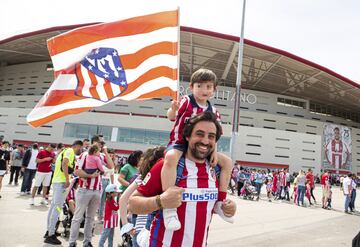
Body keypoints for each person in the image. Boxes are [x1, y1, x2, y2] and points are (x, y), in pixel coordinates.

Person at [129, 112, 236, 247]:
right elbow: (132, 204)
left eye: (211, 136)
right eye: (199, 134)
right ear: (187, 136)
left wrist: (228, 207)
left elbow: (203, 208)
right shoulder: (168, 166)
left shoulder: (215, 170)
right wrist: (160, 201)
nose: (205, 141)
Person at [161, 68, 232, 231]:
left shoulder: (214, 112)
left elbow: (216, 134)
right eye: (199, 86)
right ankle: (169, 206)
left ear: (214, 90)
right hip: (180, 143)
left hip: (202, 148)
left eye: (208, 86)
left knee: (227, 162)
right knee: (171, 158)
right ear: (191, 87)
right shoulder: (186, 101)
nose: (204, 90)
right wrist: (173, 108)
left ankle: (220, 202)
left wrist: (214, 150)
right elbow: (171, 116)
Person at [68, 135, 114, 247]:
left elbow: (111, 166)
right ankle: (72, 242)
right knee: (78, 217)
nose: (101, 144)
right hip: (84, 189)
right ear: (94, 142)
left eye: (102, 143)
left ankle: (87, 242)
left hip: (97, 190)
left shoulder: (101, 155)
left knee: (90, 218)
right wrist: (90, 175)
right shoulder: (84, 155)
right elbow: (77, 171)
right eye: (100, 142)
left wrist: (106, 152)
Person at [119, 146, 166, 247]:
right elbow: (123, 199)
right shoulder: (164, 178)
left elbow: (123, 199)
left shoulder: (143, 176)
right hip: (149, 229)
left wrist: (126, 225)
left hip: (141, 229)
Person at [44, 140, 83, 245]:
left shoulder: (64, 151)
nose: (81, 150)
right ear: (77, 146)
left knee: (53, 207)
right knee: (57, 208)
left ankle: (49, 231)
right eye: (81, 148)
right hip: (61, 182)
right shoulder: (70, 151)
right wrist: (67, 179)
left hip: (57, 181)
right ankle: (50, 235)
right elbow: (65, 163)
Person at [98, 148, 115, 222]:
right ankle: (99, 216)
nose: (110, 156)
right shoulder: (102, 162)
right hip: (101, 181)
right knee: (99, 199)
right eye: (109, 154)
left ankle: (101, 216)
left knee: (104, 200)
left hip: (107, 182)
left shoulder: (111, 164)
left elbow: (112, 175)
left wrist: (113, 185)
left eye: (112, 155)